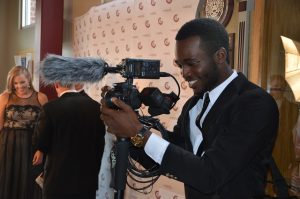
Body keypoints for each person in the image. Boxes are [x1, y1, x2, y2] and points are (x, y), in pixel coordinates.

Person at [100, 18, 279, 198]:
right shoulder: (193, 105)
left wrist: (139, 133)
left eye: (192, 63)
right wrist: (128, 135)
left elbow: (210, 175)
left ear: (220, 56)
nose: (184, 73)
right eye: (180, 65)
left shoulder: (255, 104)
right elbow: (172, 161)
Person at [32, 81, 106, 199]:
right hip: (86, 180)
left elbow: (42, 142)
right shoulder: (95, 107)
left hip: (57, 180)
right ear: (74, 84)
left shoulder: (50, 108)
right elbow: (100, 144)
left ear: (56, 85)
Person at [0, 66, 48, 199]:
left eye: (22, 82)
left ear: (29, 79)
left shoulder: (41, 97)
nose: (19, 86)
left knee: (29, 181)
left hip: (32, 145)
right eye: (15, 83)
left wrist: (41, 149)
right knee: (7, 177)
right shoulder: (5, 97)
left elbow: (46, 127)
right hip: (7, 145)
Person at [268, 74, 299, 194]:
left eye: (277, 88)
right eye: (272, 88)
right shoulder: (266, 105)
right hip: (269, 152)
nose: (274, 91)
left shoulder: (292, 109)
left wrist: (294, 160)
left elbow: (294, 134)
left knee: (283, 187)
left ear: (283, 89)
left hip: (285, 154)